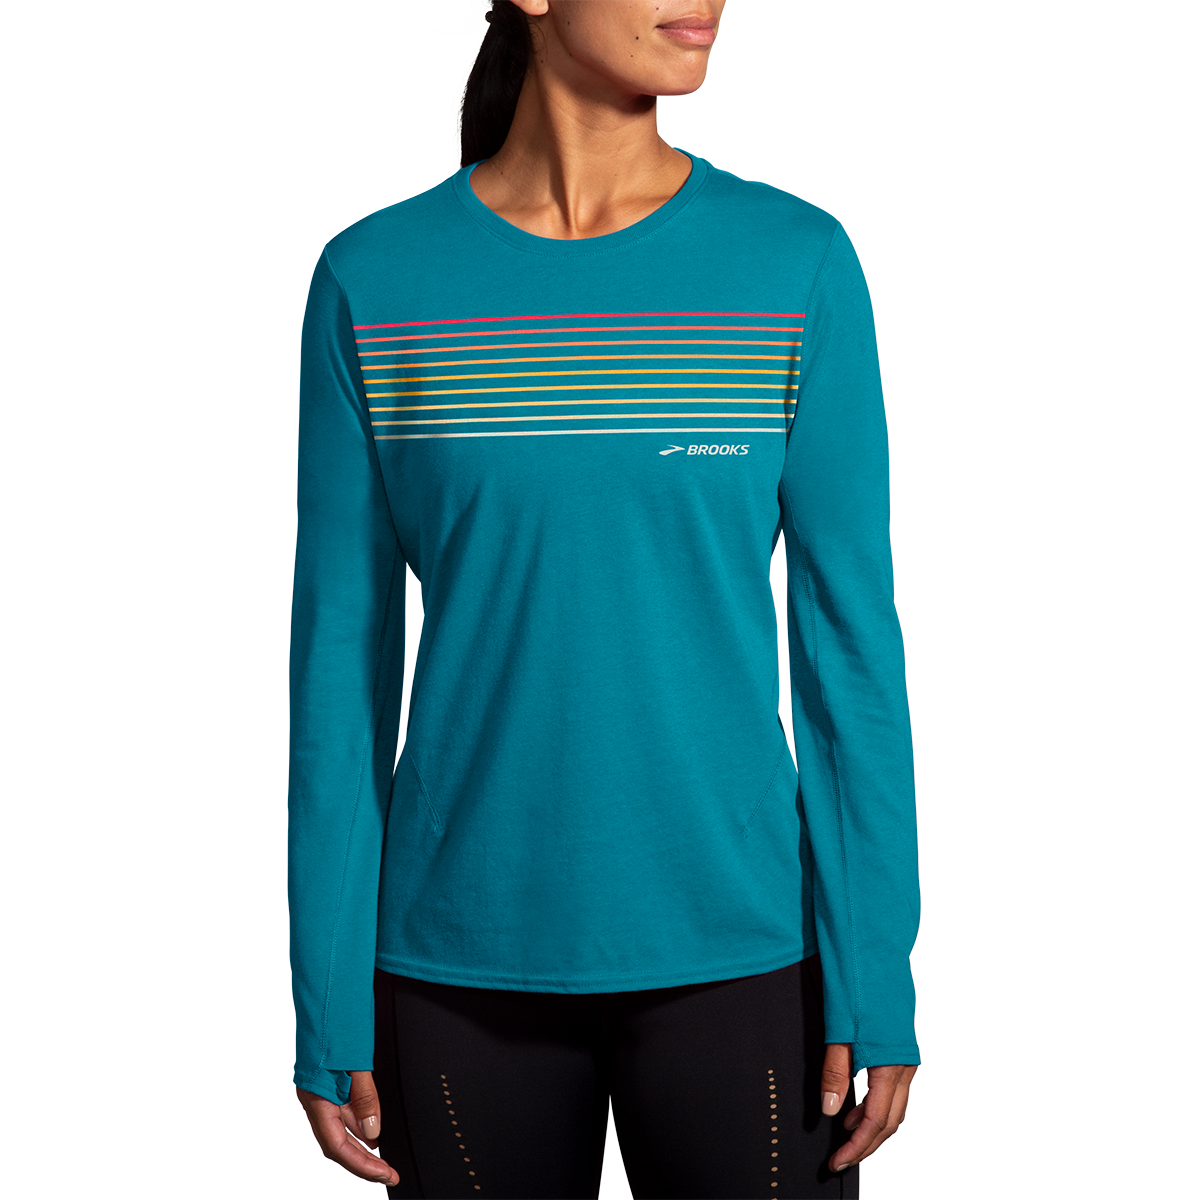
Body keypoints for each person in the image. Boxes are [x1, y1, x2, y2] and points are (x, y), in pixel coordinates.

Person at [289, 1, 920, 1196]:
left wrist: (874, 977)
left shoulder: (793, 263)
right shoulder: (375, 279)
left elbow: (851, 660)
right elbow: (337, 671)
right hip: (455, 962)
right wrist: (326, 994)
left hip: (746, 954)